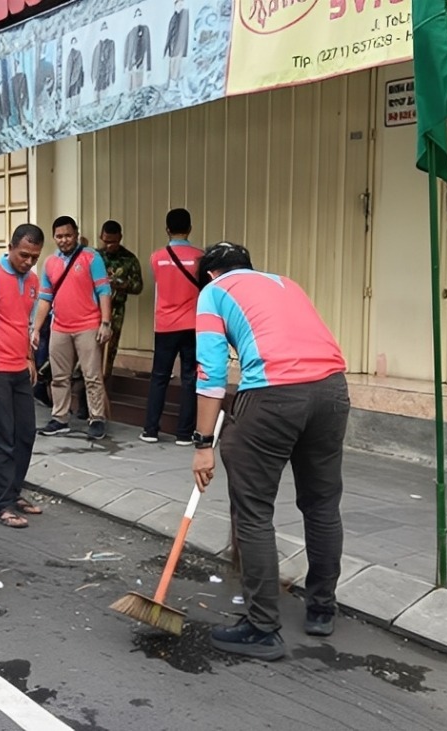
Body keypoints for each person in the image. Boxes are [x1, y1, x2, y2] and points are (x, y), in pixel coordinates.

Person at [192, 243, 349, 661]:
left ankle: (262, 627)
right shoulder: (286, 283)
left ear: (209, 275)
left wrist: (203, 444)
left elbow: (209, 373)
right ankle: (321, 609)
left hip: (273, 395)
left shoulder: (213, 292)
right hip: (332, 390)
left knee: (254, 510)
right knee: (321, 504)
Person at [31, 216, 113, 440]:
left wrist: (105, 323)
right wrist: (36, 329)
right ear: (54, 237)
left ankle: (97, 418)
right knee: (58, 377)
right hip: (59, 326)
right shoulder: (50, 262)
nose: (64, 240)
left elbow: (104, 291)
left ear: (76, 234)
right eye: (59, 236)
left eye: (68, 235)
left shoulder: (91, 257)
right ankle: (60, 418)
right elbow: (45, 299)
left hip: (88, 325)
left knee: (92, 375)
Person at [0, 225, 44, 529]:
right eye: (24, 255)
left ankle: (15, 491)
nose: (28, 262)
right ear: (10, 247)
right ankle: (1, 504)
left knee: (26, 434)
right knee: (1, 437)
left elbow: (24, 322)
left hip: (20, 368)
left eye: (34, 257)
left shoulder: (33, 280)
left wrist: (29, 357)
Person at [143, 209, 202, 445]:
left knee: (159, 377)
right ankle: (184, 434)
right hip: (192, 325)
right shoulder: (200, 257)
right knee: (189, 378)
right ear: (189, 228)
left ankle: (150, 430)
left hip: (165, 325)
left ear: (167, 229)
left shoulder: (156, 257)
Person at [97, 219, 143, 380]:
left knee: (109, 350)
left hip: (116, 311)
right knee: (88, 349)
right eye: (106, 241)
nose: (110, 245)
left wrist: (119, 283)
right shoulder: (95, 257)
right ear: (101, 237)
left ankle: (105, 383)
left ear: (120, 238)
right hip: (92, 310)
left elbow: (138, 287)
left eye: (114, 242)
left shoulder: (129, 259)